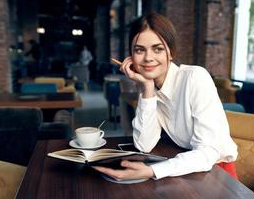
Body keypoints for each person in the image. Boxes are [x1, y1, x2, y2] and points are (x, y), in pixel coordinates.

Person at [94, 13, 238, 180]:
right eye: (139, 50)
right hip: (185, 168)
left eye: (158, 49)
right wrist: (147, 89)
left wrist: (152, 171)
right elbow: (144, 145)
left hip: (217, 174)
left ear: (171, 52)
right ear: (131, 57)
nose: (148, 58)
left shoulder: (195, 77)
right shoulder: (152, 85)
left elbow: (208, 152)